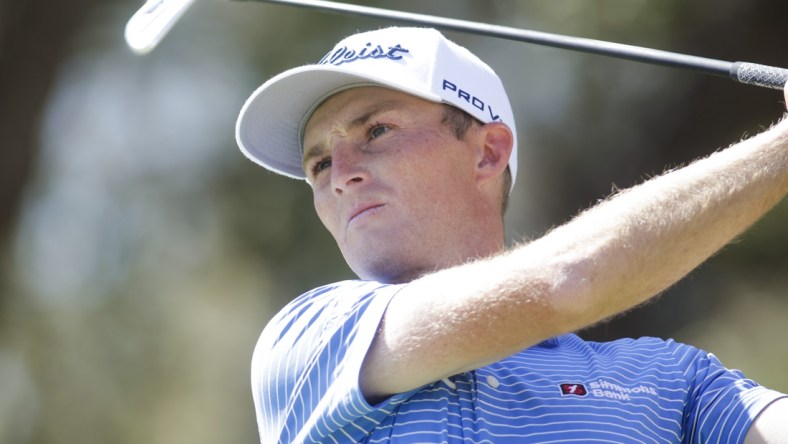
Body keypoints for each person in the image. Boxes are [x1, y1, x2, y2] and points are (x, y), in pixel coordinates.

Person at [235, 27, 788, 443]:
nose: (341, 174)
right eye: (318, 164)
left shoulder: (671, 380)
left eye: (377, 130)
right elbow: (566, 283)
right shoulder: (311, 338)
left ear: (488, 151)